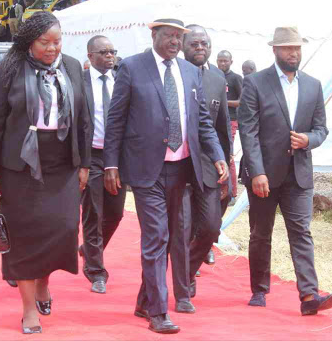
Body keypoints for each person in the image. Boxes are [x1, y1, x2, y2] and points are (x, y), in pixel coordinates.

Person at [104, 18, 228, 334]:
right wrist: (110, 164)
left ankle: (145, 301)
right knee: (157, 236)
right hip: (146, 169)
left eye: (179, 37)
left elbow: (202, 121)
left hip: (181, 167)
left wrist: (217, 156)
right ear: (154, 35)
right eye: (170, 36)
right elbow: (115, 120)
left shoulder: (189, 72)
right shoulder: (132, 67)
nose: (175, 42)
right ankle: (158, 312)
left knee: (172, 235)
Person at [0, 11, 91, 334]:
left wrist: (84, 162)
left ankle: (44, 282)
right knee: (24, 237)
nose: (52, 48)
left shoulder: (72, 66)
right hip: (19, 166)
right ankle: (29, 309)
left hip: (63, 164)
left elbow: (84, 119)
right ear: (30, 41)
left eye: (57, 42)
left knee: (63, 228)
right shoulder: (9, 69)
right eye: (45, 42)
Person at [238, 26, 332, 315]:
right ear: (275, 50)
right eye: (287, 48)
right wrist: (257, 172)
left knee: (301, 232)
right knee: (260, 233)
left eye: (297, 48)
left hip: (299, 173)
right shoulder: (255, 83)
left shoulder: (313, 85)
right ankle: (259, 289)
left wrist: (309, 140)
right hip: (264, 175)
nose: (294, 53)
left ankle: (309, 296)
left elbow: (321, 129)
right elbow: (248, 130)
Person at [180, 25, 231, 303]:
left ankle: (187, 270)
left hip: (208, 166)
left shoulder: (216, 77)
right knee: (183, 228)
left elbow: (221, 124)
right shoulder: (173, 73)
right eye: (194, 43)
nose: (200, 47)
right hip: (176, 164)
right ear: (183, 45)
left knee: (211, 227)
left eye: (204, 43)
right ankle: (182, 281)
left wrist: (226, 161)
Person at [79, 35, 127, 294]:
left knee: (115, 213)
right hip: (91, 157)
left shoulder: (122, 80)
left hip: (118, 158)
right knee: (93, 214)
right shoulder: (81, 83)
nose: (110, 56)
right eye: (104, 52)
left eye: (113, 51)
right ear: (90, 56)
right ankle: (96, 271)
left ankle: (88, 249)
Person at [217, 50, 243, 210]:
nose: (222, 64)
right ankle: (220, 189)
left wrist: (223, 102)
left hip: (231, 120)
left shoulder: (236, 78)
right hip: (215, 120)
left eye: (225, 61)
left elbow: (242, 101)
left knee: (229, 155)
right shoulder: (214, 75)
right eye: (220, 61)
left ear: (231, 62)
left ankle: (232, 193)